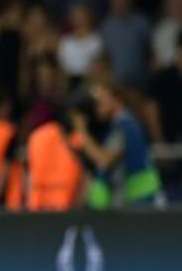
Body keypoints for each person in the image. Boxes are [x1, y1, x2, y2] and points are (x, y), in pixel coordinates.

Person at [70, 80, 165, 208]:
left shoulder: (124, 126)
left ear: (115, 99)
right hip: (137, 203)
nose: (97, 105)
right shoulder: (122, 124)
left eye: (101, 99)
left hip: (141, 205)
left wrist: (81, 130)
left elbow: (104, 161)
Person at [25, 113, 84, 212]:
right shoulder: (77, 137)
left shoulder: (36, 136)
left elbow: (29, 173)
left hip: (37, 202)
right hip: (65, 202)